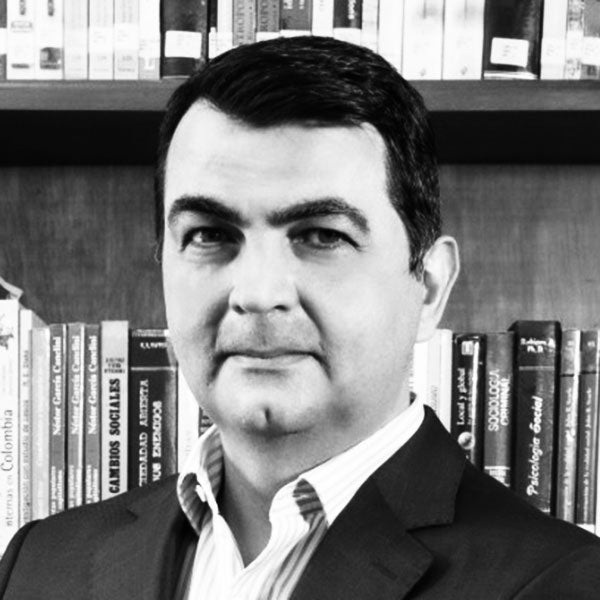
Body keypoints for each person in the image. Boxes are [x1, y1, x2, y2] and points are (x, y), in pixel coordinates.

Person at [1, 36, 599, 600]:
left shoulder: (564, 582)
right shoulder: (37, 565)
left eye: (321, 236)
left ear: (429, 287)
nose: (258, 294)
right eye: (209, 234)